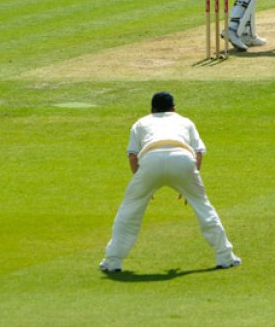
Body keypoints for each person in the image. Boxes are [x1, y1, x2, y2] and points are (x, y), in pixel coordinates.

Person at [99, 92, 241, 272]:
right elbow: (198, 152)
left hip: (150, 161)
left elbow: (133, 156)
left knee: (129, 209)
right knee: (203, 207)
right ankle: (225, 257)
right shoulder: (185, 121)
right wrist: (190, 181)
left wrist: (142, 183)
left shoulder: (141, 122)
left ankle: (112, 261)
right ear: (174, 108)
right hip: (183, 160)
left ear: (151, 109)